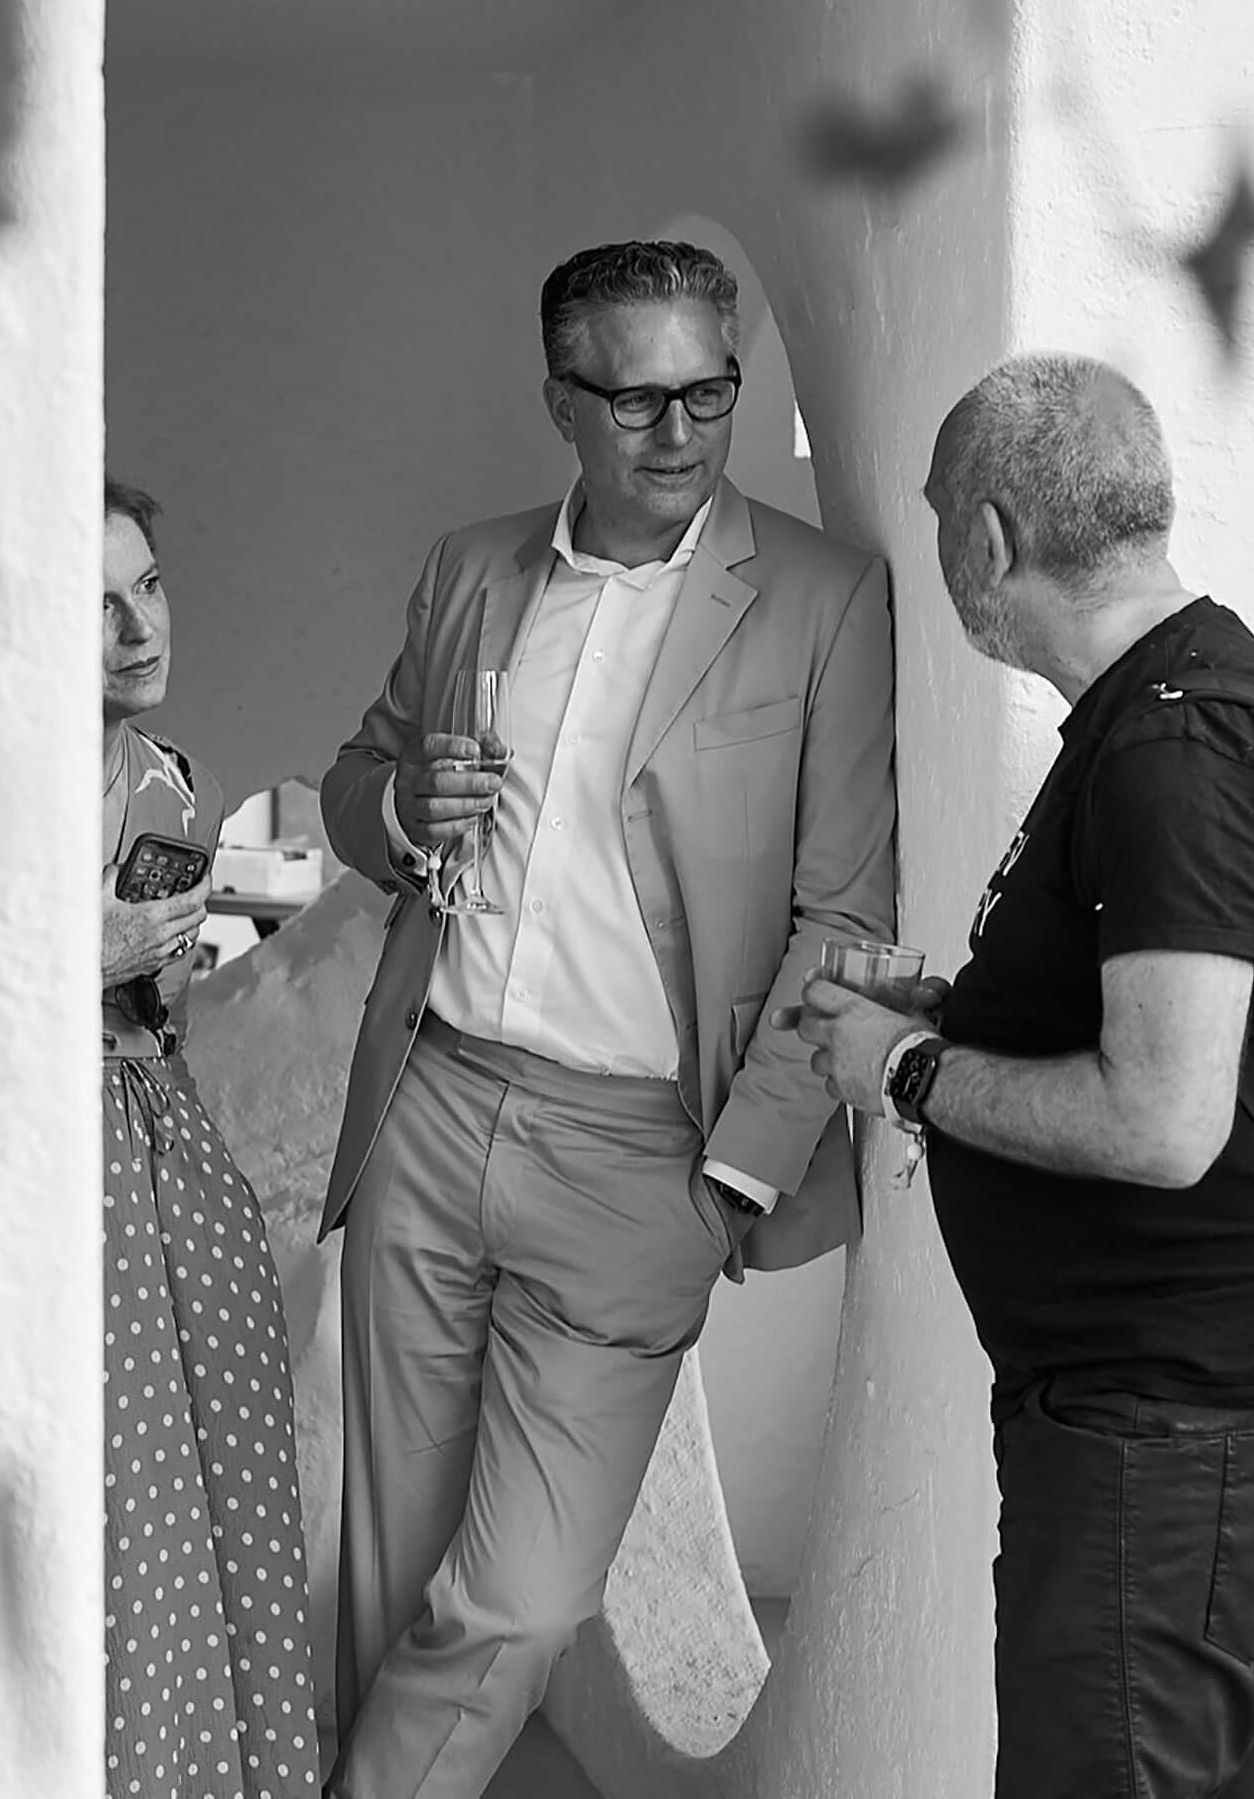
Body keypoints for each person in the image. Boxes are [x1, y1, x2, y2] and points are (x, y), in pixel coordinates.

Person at [316, 240, 899, 1799]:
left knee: (516, 1601)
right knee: (395, 1569)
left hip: (645, 1157)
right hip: (433, 1105)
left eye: (710, 391)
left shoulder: (825, 600)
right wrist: (401, 807)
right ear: (561, 402)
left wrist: (735, 1177)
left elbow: (843, 917)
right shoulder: (471, 570)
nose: (681, 432)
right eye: (637, 400)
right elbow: (358, 779)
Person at [798, 352, 1254, 1798]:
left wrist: (909, 1069)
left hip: (1172, 1433)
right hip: (1163, 1420)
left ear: (989, 536)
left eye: (940, 519)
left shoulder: (1180, 748)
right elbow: (1169, 1032)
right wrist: (963, 1017)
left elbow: (1165, 1118)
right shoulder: (1163, 714)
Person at [100, 480, 322, 1799]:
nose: (139, 630)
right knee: (128, 1514)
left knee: (232, 1489)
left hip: (171, 1149)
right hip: (67, 1167)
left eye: (148, 585)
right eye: (94, 606)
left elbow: (164, 1009)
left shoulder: (175, 785)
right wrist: (83, 957)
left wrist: (168, 964)